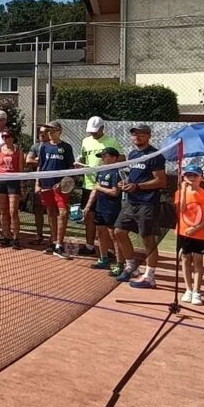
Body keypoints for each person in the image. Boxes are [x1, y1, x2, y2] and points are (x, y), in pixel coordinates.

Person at [112, 124, 168, 287]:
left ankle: (149, 277)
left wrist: (137, 186)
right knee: (119, 232)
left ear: (149, 136)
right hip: (131, 202)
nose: (137, 137)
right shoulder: (133, 154)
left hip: (148, 203)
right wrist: (126, 183)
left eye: (142, 134)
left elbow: (161, 181)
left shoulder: (155, 155)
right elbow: (135, 177)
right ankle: (131, 267)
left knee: (147, 239)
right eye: (135, 134)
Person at [77, 116, 123, 257]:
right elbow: (83, 158)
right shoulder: (85, 141)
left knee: (108, 222)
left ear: (102, 128)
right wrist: (79, 162)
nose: (93, 133)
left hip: (105, 186)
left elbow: (122, 159)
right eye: (91, 131)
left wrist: (106, 167)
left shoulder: (112, 141)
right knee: (89, 217)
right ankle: (89, 246)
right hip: (89, 184)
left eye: (95, 130)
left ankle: (111, 251)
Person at [176, 163, 204, 306]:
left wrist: (196, 228)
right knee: (185, 259)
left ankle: (196, 291)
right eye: (188, 175)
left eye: (195, 175)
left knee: (198, 262)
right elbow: (182, 209)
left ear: (201, 177)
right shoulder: (180, 193)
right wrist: (183, 190)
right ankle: (188, 290)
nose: (191, 178)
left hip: (199, 234)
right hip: (183, 232)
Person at [36, 121, 76, 258]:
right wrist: (37, 183)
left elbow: (70, 168)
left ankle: (59, 244)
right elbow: (40, 166)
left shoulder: (66, 147)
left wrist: (63, 183)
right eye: (48, 130)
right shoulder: (44, 147)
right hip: (46, 185)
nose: (50, 133)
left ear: (59, 131)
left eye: (52, 130)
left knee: (63, 213)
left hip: (60, 188)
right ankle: (54, 243)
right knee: (51, 213)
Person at [84, 146, 123, 271]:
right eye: (102, 156)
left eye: (105, 156)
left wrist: (99, 188)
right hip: (100, 207)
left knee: (114, 235)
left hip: (112, 209)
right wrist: (88, 206)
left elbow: (115, 192)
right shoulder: (101, 171)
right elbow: (95, 190)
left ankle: (119, 263)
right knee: (100, 232)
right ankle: (103, 258)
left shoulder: (117, 172)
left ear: (114, 158)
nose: (103, 159)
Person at [0, 128, 24, 248]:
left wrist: (22, 186)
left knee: (13, 211)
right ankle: (6, 236)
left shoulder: (18, 151)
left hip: (13, 182)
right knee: (3, 211)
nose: (6, 139)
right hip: (0, 182)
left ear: (13, 138)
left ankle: (15, 237)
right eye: (4, 137)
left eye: (8, 136)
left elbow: (20, 169)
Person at [26, 126, 50, 244]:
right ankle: (39, 236)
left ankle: (53, 238)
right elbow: (28, 160)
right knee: (38, 208)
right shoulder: (35, 147)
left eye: (44, 132)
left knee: (51, 209)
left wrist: (40, 162)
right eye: (40, 132)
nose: (41, 134)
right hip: (37, 182)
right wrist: (45, 162)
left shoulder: (53, 146)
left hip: (51, 182)